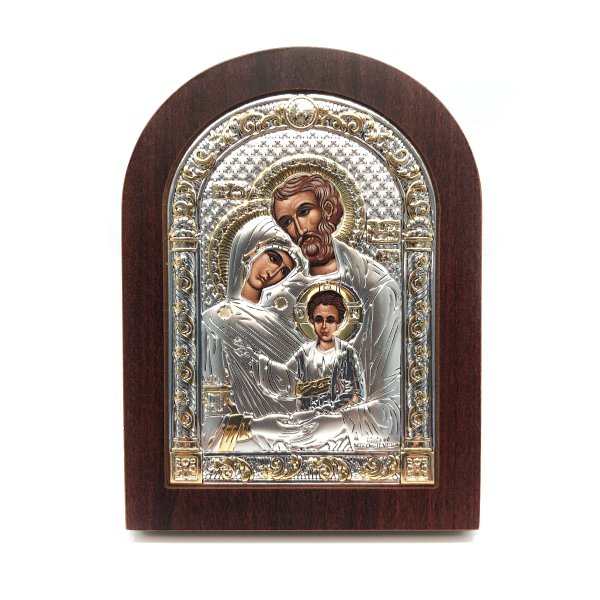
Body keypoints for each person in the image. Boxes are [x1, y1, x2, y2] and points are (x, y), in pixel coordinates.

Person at [270, 174, 402, 450]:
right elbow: (286, 383)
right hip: (298, 424)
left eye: (304, 212)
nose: (299, 228)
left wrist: (335, 420)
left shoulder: (374, 288)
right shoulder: (284, 293)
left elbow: (392, 409)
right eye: (287, 222)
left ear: (328, 210)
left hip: (348, 432)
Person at [200, 216, 307, 450]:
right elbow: (210, 411)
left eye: (284, 271)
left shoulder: (281, 324)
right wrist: (259, 427)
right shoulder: (214, 320)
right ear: (250, 249)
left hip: (297, 438)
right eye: (273, 258)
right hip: (244, 442)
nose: (273, 272)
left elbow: (305, 382)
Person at [256, 290, 365, 414]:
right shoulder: (304, 354)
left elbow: (355, 396)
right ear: (311, 321)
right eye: (319, 320)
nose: (324, 326)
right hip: (305, 420)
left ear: (339, 322)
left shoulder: (346, 353)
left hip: (337, 420)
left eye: (330, 320)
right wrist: (261, 364)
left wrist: (323, 413)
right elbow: (287, 381)